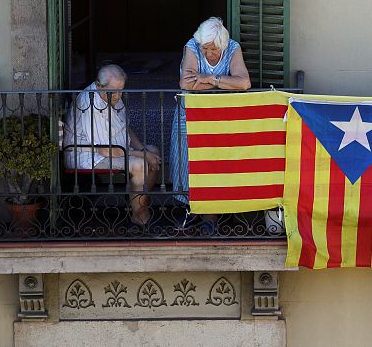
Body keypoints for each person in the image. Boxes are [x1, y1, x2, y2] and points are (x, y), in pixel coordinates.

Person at [63, 64, 160, 226]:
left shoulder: (111, 94)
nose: (118, 95)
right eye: (114, 91)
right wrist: (142, 155)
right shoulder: (92, 103)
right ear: (99, 85)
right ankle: (141, 215)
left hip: (116, 149)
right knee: (140, 164)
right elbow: (106, 150)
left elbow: (125, 127)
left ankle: (137, 206)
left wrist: (143, 149)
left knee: (153, 151)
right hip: (88, 155)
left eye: (121, 90)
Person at [169, 17, 251, 206]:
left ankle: (212, 213)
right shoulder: (192, 46)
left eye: (213, 49)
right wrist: (224, 82)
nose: (208, 53)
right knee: (186, 161)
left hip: (221, 116)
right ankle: (189, 209)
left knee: (216, 161)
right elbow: (187, 83)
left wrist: (209, 78)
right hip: (189, 114)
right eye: (205, 48)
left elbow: (244, 83)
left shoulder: (232, 48)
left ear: (223, 44)